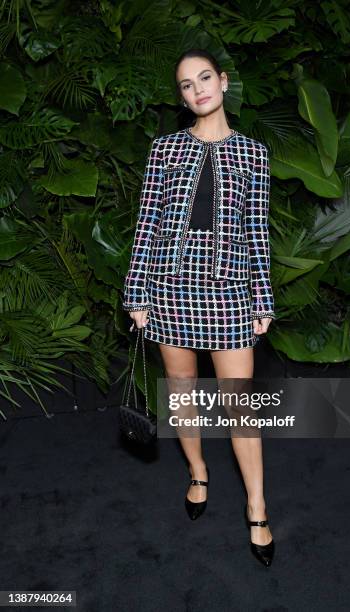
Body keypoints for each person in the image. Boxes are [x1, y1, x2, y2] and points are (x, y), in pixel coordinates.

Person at [122, 48, 276, 567]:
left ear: (224, 81)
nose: (198, 90)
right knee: (183, 395)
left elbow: (257, 232)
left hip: (231, 290)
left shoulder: (254, 154)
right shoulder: (164, 150)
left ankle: (257, 506)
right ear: (182, 97)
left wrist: (264, 296)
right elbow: (147, 225)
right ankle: (198, 473)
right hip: (171, 286)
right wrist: (136, 292)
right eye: (186, 85)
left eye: (205, 78)